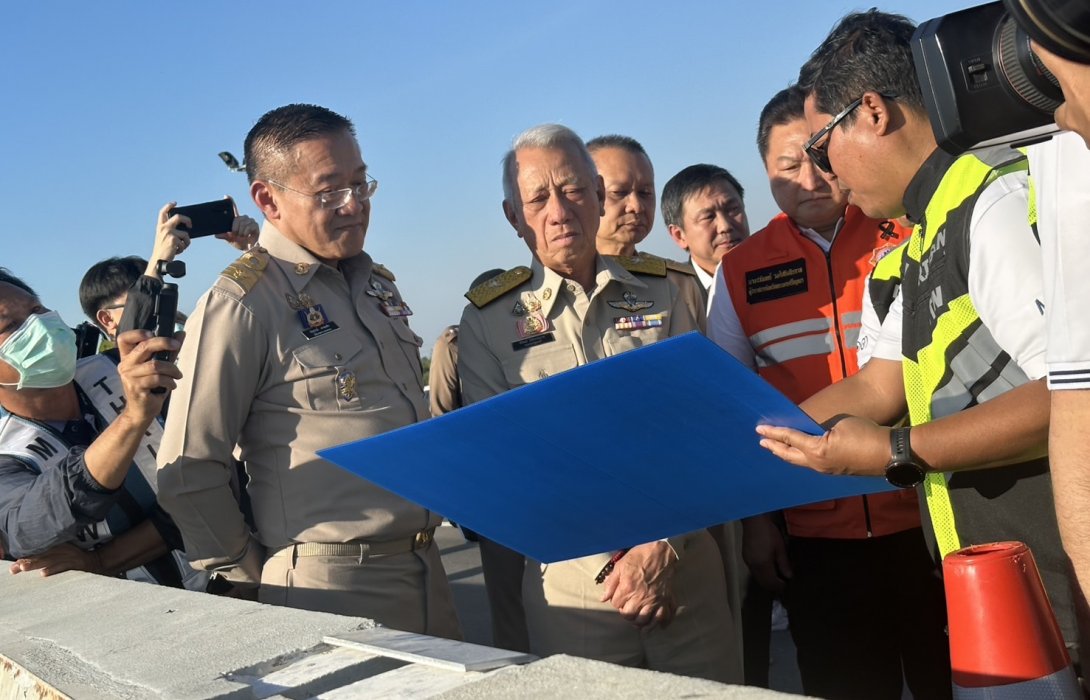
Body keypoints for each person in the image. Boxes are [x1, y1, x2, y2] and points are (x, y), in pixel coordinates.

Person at [754, 10, 1079, 660]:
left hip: (1059, 583)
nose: (826, 176)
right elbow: (877, 386)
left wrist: (893, 452)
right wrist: (743, 442)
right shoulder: (922, 235)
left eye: (822, 149)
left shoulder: (989, 202)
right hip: (997, 586)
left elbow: (1069, 395)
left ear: (872, 111)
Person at [156, 103, 461, 638]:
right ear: (267, 199)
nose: (354, 205)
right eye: (329, 191)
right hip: (333, 587)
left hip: (426, 567)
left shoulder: (375, 285)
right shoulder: (243, 304)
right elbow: (187, 466)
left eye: (361, 184)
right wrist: (252, 571)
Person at [457, 123, 741, 682]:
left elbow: (702, 427)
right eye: (537, 198)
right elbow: (509, 465)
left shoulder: (665, 290)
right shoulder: (488, 322)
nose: (559, 211)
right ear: (515, 218)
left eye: (573, 190)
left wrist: (658, 544)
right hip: (575, 588)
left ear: (596, 194)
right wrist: (619, 559)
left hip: (682, 563)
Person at [708, 85, 949, 699]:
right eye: (787, 166)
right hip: (814, 538)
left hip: (926, 511)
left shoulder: (904, 231)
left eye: (819, 155)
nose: (810, 177)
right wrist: (758, 525)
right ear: (763, 175)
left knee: (950, 681)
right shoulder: (741, 271)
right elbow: (731, 406)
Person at [0, 268, 197, 589]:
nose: (39, 325)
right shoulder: (8, 453)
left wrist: (102, 561)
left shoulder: (126, 371)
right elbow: (27, 526)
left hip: (231, 576)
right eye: (11, 326)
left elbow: (217, 477)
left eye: (37, 310)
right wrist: (132, 419)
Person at [428, 267, 530, 652]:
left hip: (541, 485)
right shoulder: (453, 345)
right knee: (509, 604)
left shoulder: (531, 332)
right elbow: (442, 418)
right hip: (492, 490)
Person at [586, 136, 708, 333]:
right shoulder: (559, 285)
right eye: (619, 192)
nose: (636, 206)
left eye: (645, 192)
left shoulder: (677, 283)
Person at [660, 164, 750, 302]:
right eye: (708, 217)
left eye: (732, 209)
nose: (725, 226)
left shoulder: (776, 274)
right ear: (679, 236)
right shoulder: (670, 299)